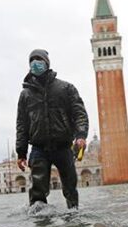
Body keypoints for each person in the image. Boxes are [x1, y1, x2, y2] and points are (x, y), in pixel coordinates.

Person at [16, 49, 88, 209]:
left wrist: (81, 135)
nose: (35, 62)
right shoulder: (25, 95)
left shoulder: (66, 88)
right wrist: (21, 153)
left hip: (64, 147)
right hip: (38, 148)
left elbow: (79, 114)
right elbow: (22, 125)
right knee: (37, 193)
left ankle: (74, 221)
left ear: (47, 63)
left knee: (70, 190)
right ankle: (40, 225)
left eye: (38, 59)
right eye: (32, 60)